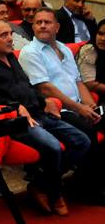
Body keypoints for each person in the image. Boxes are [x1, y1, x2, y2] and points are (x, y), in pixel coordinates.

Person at [0, 19, 92, 213]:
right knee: (52, 147)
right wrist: (15, 107)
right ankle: (55, 193)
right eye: (4, 35)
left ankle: (41, 183)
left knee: (82, 141)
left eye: (10, 33)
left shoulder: (11, 58)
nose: (10, 38)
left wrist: (44, 102)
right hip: (14, 121)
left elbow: (27, 86)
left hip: (38, 112)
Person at [19, 8, 102, 149]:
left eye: (47, 22)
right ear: (33, 27)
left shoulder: (64, 49)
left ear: (57, 27)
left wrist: (90, 105)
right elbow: (45, 88)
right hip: (58, 110)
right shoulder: (30, 52)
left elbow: (78, 81)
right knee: (89, 133)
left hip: (78, 106)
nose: (43, 25)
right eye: (38, 22)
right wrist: (80, 108)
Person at [77, 19, 105, 101]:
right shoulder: (89, 51)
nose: (103, 38)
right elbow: (89, 84)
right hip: (89, 95)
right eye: (100, 34)